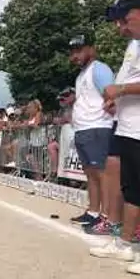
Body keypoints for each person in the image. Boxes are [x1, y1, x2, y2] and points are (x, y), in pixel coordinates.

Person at [88, 0, 140, 275]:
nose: (120, 26)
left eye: (125, 18)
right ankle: (125, 243)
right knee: (132, 190)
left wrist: (119, 91)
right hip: (129, 126)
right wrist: (115, 101)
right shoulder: (134, 45)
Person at [66, 34, 114, 229]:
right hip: (84, 129)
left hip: (98, 127)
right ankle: (93, 211)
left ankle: (107, 216)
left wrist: (111, 105)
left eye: (79, 50)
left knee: (102, 173)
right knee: (90, 173)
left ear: (91, 49)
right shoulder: (81, 75)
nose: (75, 56)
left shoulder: (99, 69)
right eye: (72, 52)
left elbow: (110, 93)